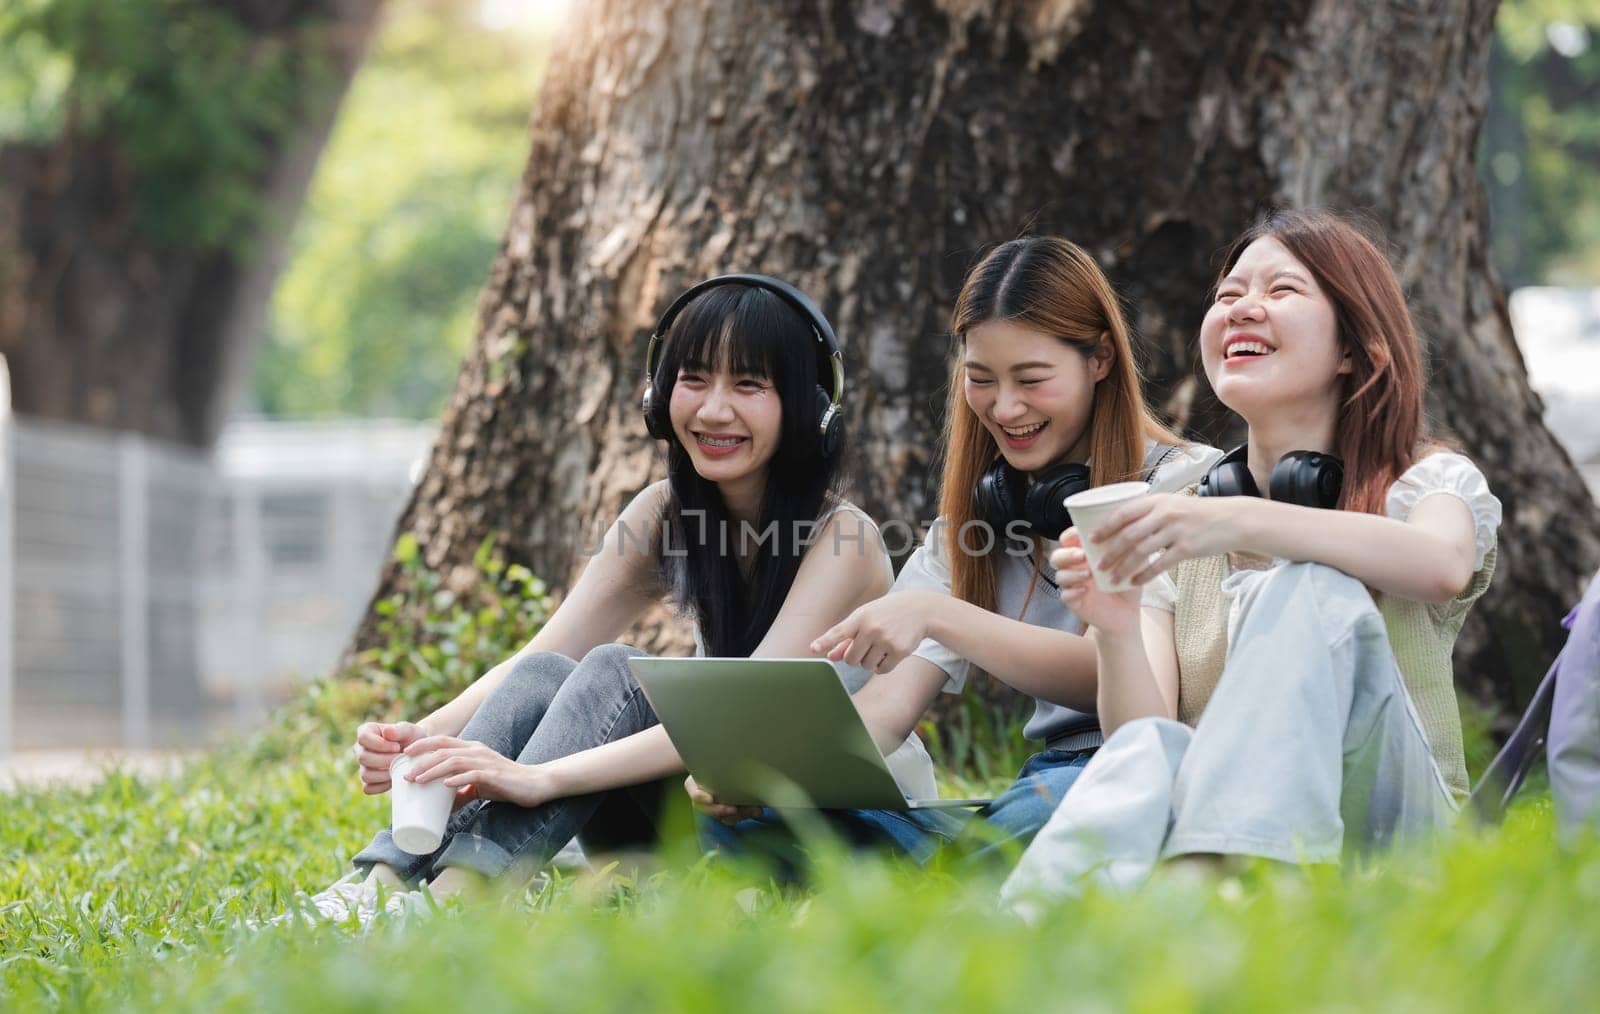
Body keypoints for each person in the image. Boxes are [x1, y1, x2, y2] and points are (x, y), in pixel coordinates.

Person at [293, 274, 932, 922]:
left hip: (840, 831)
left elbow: (743, 717)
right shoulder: (663, 514)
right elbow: (543, 654)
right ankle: (377, 884)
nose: (713, 409)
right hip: (711, 811)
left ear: (808, 407)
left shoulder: (843, 537)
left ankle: (458, 901)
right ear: (660, 395)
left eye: (748, 384)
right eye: (694, 379)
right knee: (548, 671)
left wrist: (542, 776)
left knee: (614, 673)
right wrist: (422, 738)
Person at [1001, 211, 1503, 914]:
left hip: (1397, 847)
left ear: (1354, 351)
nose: (1243, 307)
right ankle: (1020, 930)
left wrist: (1229, 519)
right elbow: (1137, 733)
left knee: (1306, 587)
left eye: (1282, 290)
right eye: (1229, 294)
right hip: (1222, 827)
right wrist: (1114, 627)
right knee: (1150, 749)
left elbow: (1442, 563)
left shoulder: (1426, 480)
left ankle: (1193, 899)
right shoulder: (1177, 509)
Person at [690, 237, 1220, 868]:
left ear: (1100, 359)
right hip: (1041, 784)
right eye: (981, 380)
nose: (1006, 407)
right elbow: (887, 709)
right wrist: (767, 775)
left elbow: (1117, 674)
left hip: (1139, 771)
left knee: (1037, 816)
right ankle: (961, 872)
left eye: (1032, 379)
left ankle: (959, 874)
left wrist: (944, 617)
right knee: (759, 822)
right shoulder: (977, 521)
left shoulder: (1183, 488)